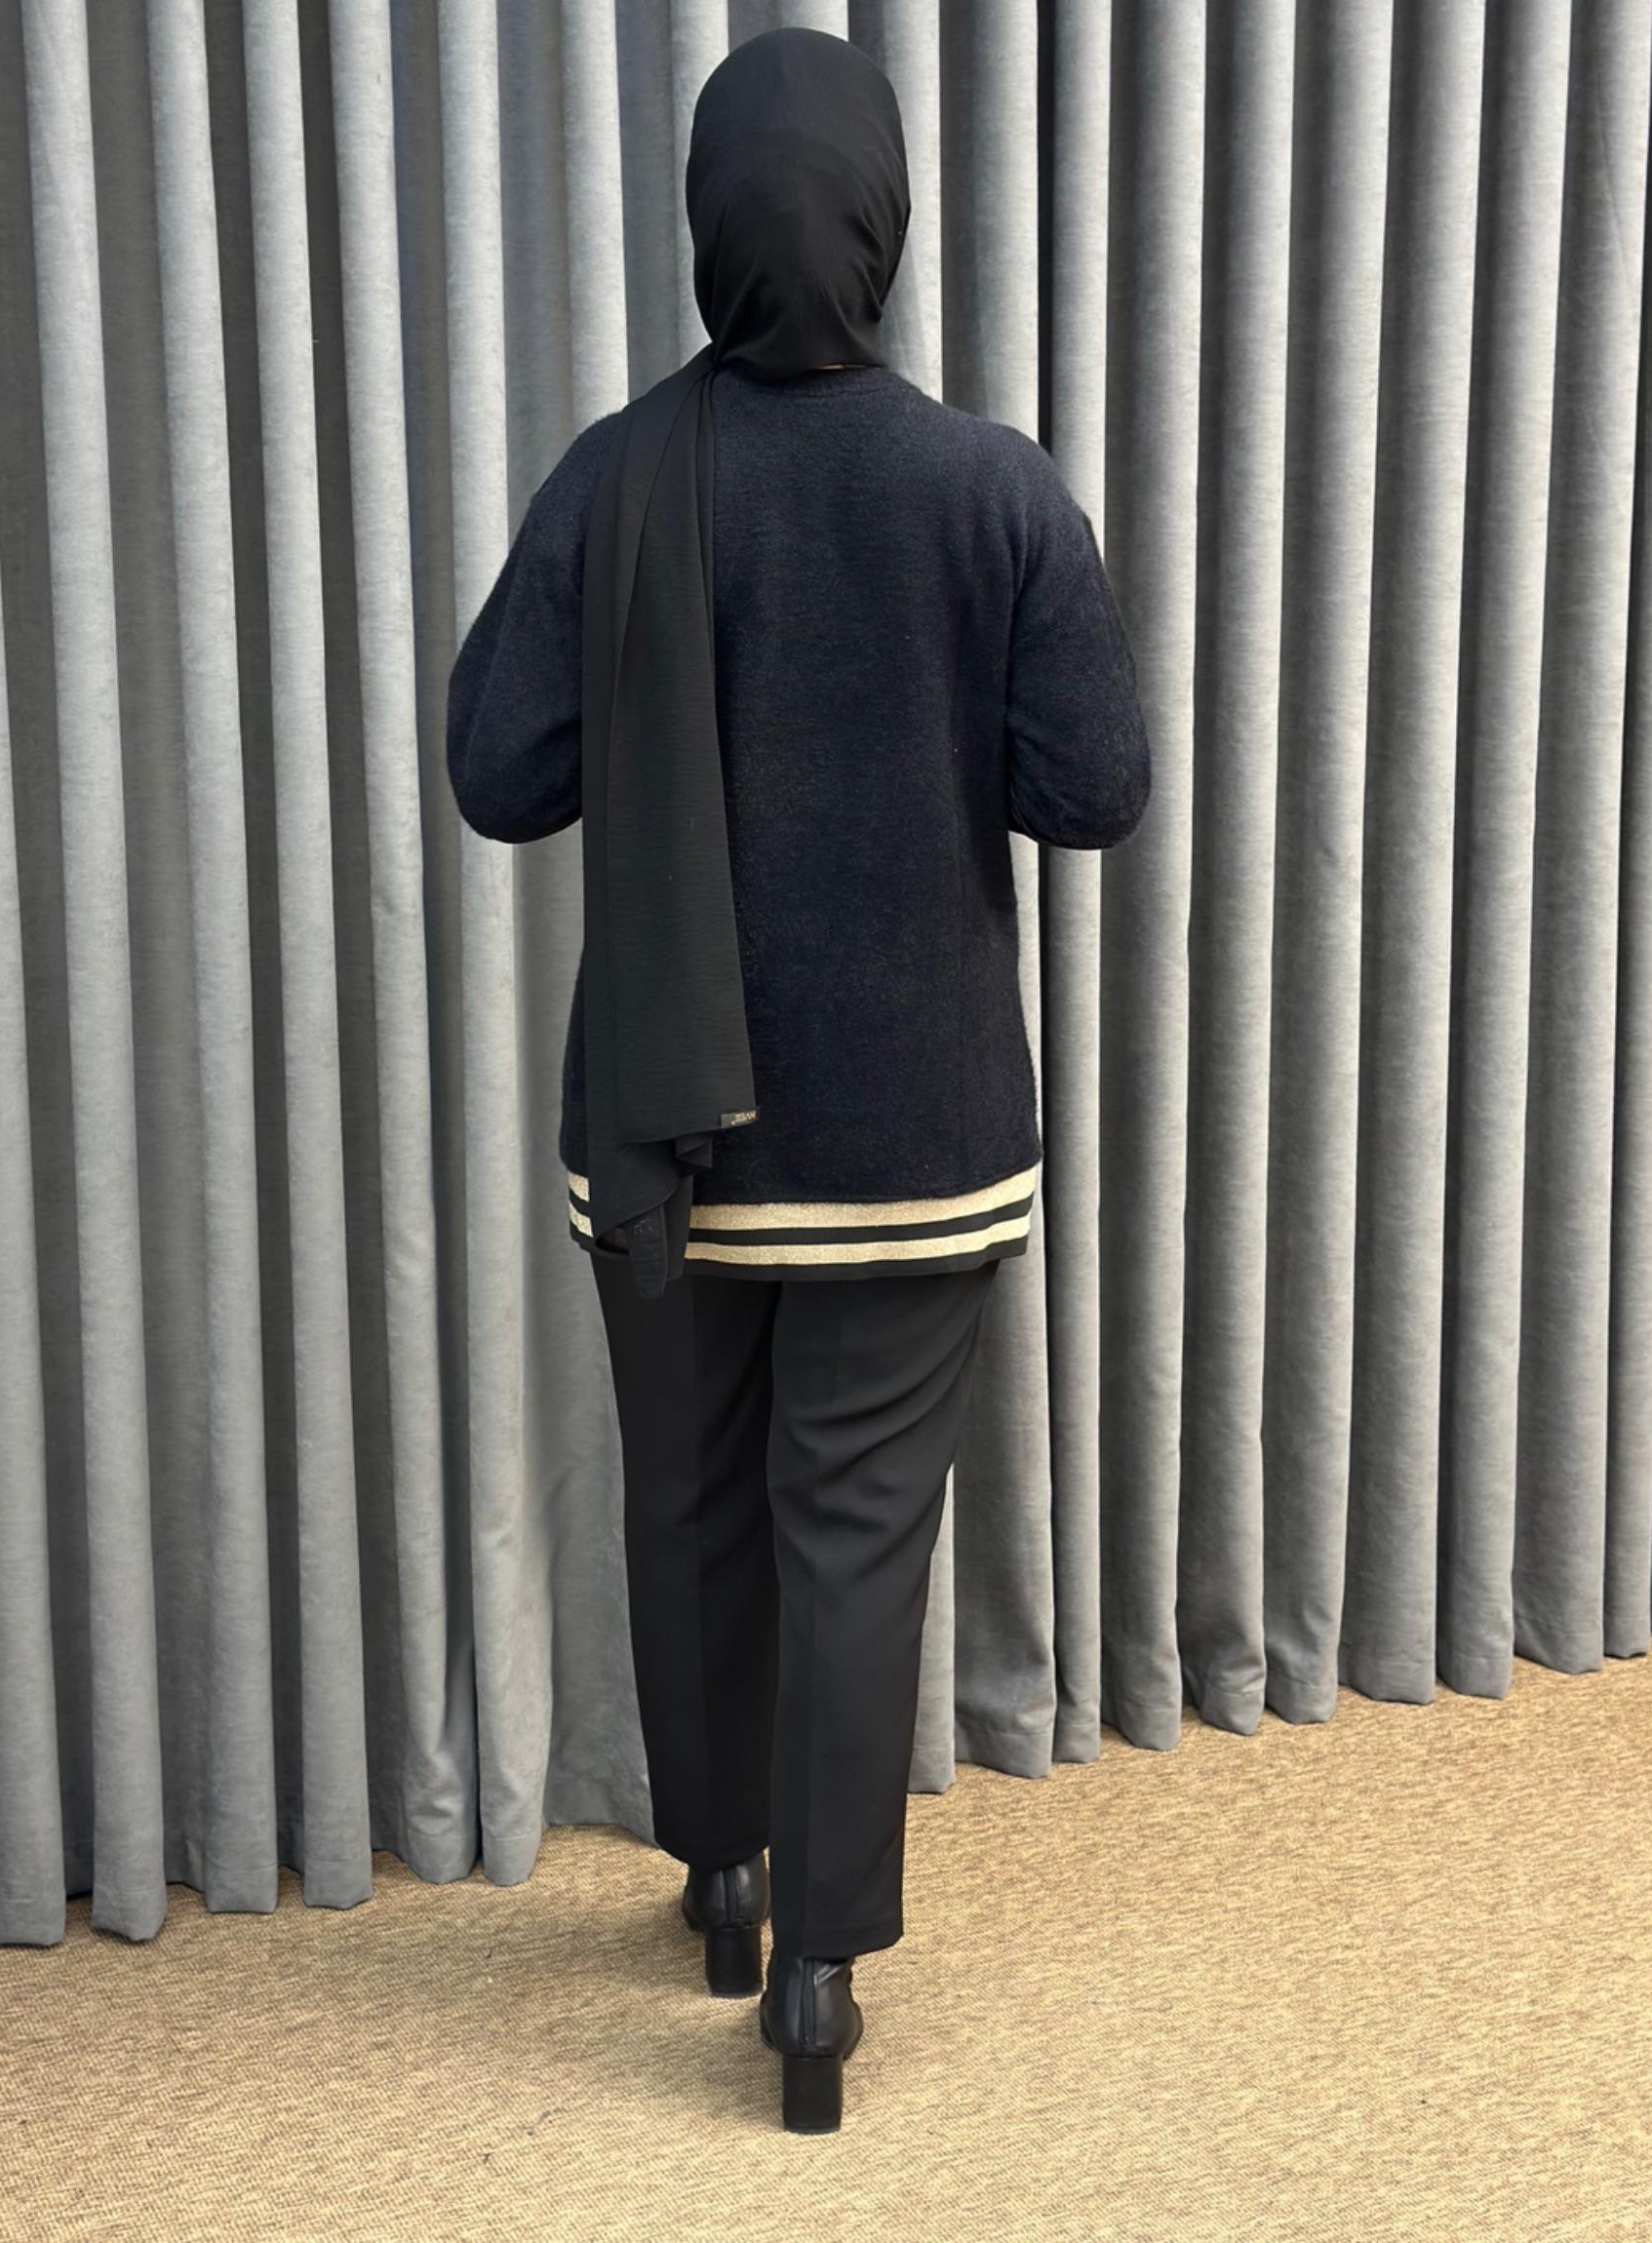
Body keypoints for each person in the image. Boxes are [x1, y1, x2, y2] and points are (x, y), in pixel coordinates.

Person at [446, 24, 1149, 2135]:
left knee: (691, 1507)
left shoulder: (617, 475)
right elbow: (1095, 790)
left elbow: (499, 774)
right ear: (888, 223)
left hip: (667, 1140)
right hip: (915, 1141)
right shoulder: (991, 488)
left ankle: (728, 1877)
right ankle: (819, 1983)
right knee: (857, 1536)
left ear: (703, 227)